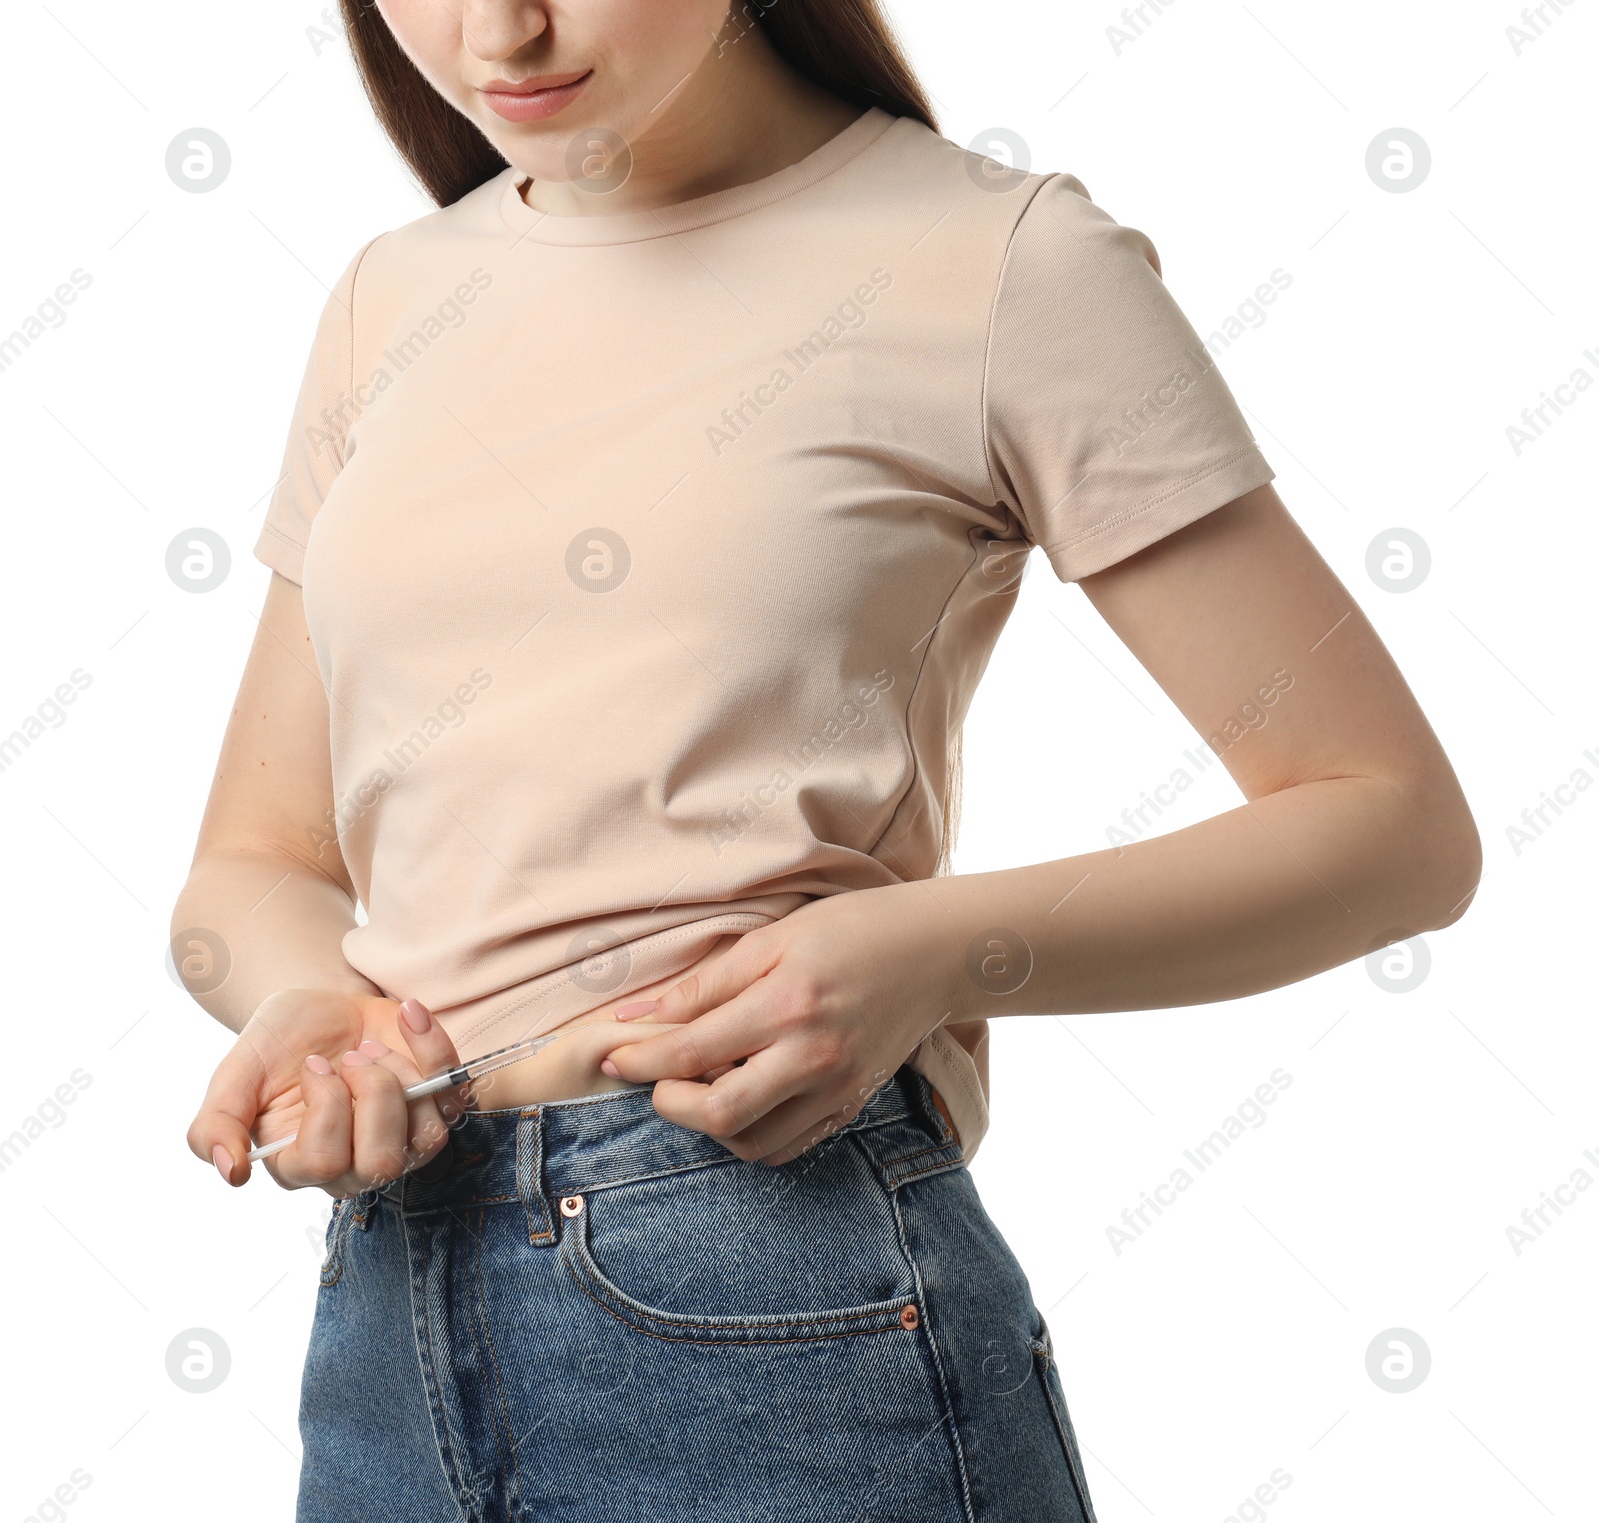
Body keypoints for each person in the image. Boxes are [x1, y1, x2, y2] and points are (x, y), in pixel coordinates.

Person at [175, 2, 1481, 1518]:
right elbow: (256, 859)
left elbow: (1394, 828)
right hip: (390, 1305)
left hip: (770, 1283)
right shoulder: (391, 299)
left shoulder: (999, 263)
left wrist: (930, 950)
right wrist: (319, 1014)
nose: (498, 30)